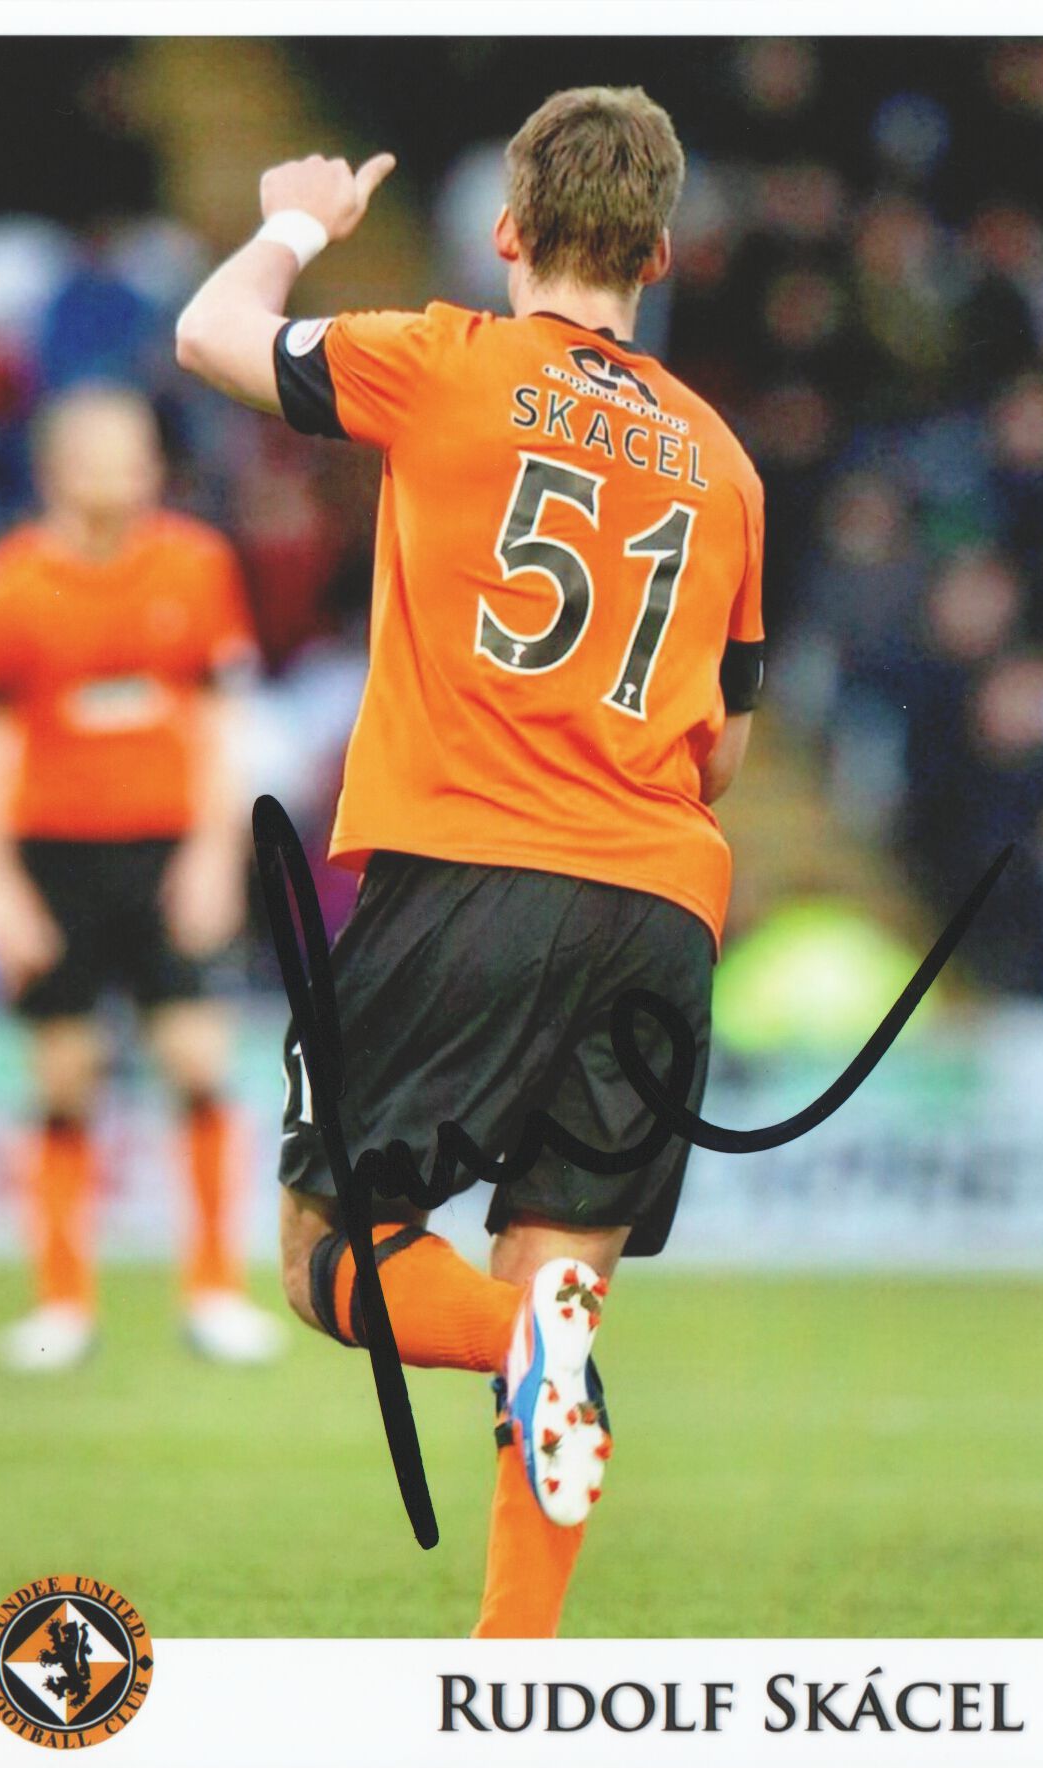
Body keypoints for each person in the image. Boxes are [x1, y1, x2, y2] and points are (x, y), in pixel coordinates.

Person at [175, 85, 764, 1635]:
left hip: (470, 870)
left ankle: (517, 1344)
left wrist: (294, 222)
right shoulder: (723, 462)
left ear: (506, 232)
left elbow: (210, 335)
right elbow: (725, 750)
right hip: (660, 899)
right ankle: (515, 1676)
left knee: (327, 1252)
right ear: (658, 253)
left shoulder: (442, 359)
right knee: (561, 1280)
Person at [0, 384, 285, 1371]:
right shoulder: (6, 586)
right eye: (108, 456)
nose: (129, 473)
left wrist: (216, 856)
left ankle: (215, 1290)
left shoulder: (196, 565)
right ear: (57, 469)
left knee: (196, 1057)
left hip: (168, 847)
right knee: (62, 1072)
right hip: (52, 852)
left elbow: (224, 720)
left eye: (139, 455)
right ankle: (62, 1301)